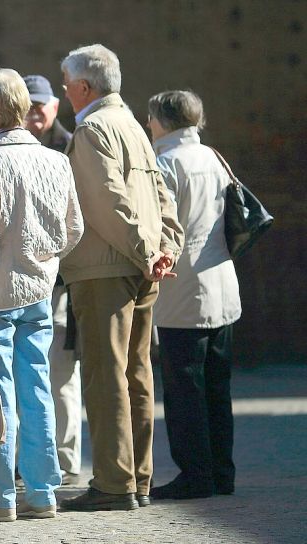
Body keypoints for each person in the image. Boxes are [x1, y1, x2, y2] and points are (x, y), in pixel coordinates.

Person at [57, 44, 184, 512]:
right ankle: (138, 479)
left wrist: (149, 249)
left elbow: (106, 202)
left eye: (67, 84)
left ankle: (114, 483)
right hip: (142, 265)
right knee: (137, 375)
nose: (65, 92)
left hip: (106, 268)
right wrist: (165, 248)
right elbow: (160, 195)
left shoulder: (93, 128)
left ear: (84, 87)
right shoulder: (132, 124)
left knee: (106, 376)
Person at [0, 69, 83, 523]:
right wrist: (47, 262)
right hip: (39, 291)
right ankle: (44, 491)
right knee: (39, 390)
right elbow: (75, 229)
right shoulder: (56, 160)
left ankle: (0, 494)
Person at [147, 90, 241, 500]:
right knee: (218, 388)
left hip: (183, 292)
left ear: (163, 121)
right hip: (222, 284)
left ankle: (195, 475)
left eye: (150, 118)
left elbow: (164, 228)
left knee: (185, 391)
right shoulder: (213, 157)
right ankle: (222, 472)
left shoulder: (166, 164)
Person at [22, 74, 81, 484]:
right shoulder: (12, 146)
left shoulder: (71, 145)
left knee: (59, 374)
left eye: (42, 103)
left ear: (55, 106)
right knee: (28, 375)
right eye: (29, 104)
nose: (36, 111)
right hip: (23, 280)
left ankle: (65, 458)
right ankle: (33, 459)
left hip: (59, 283)